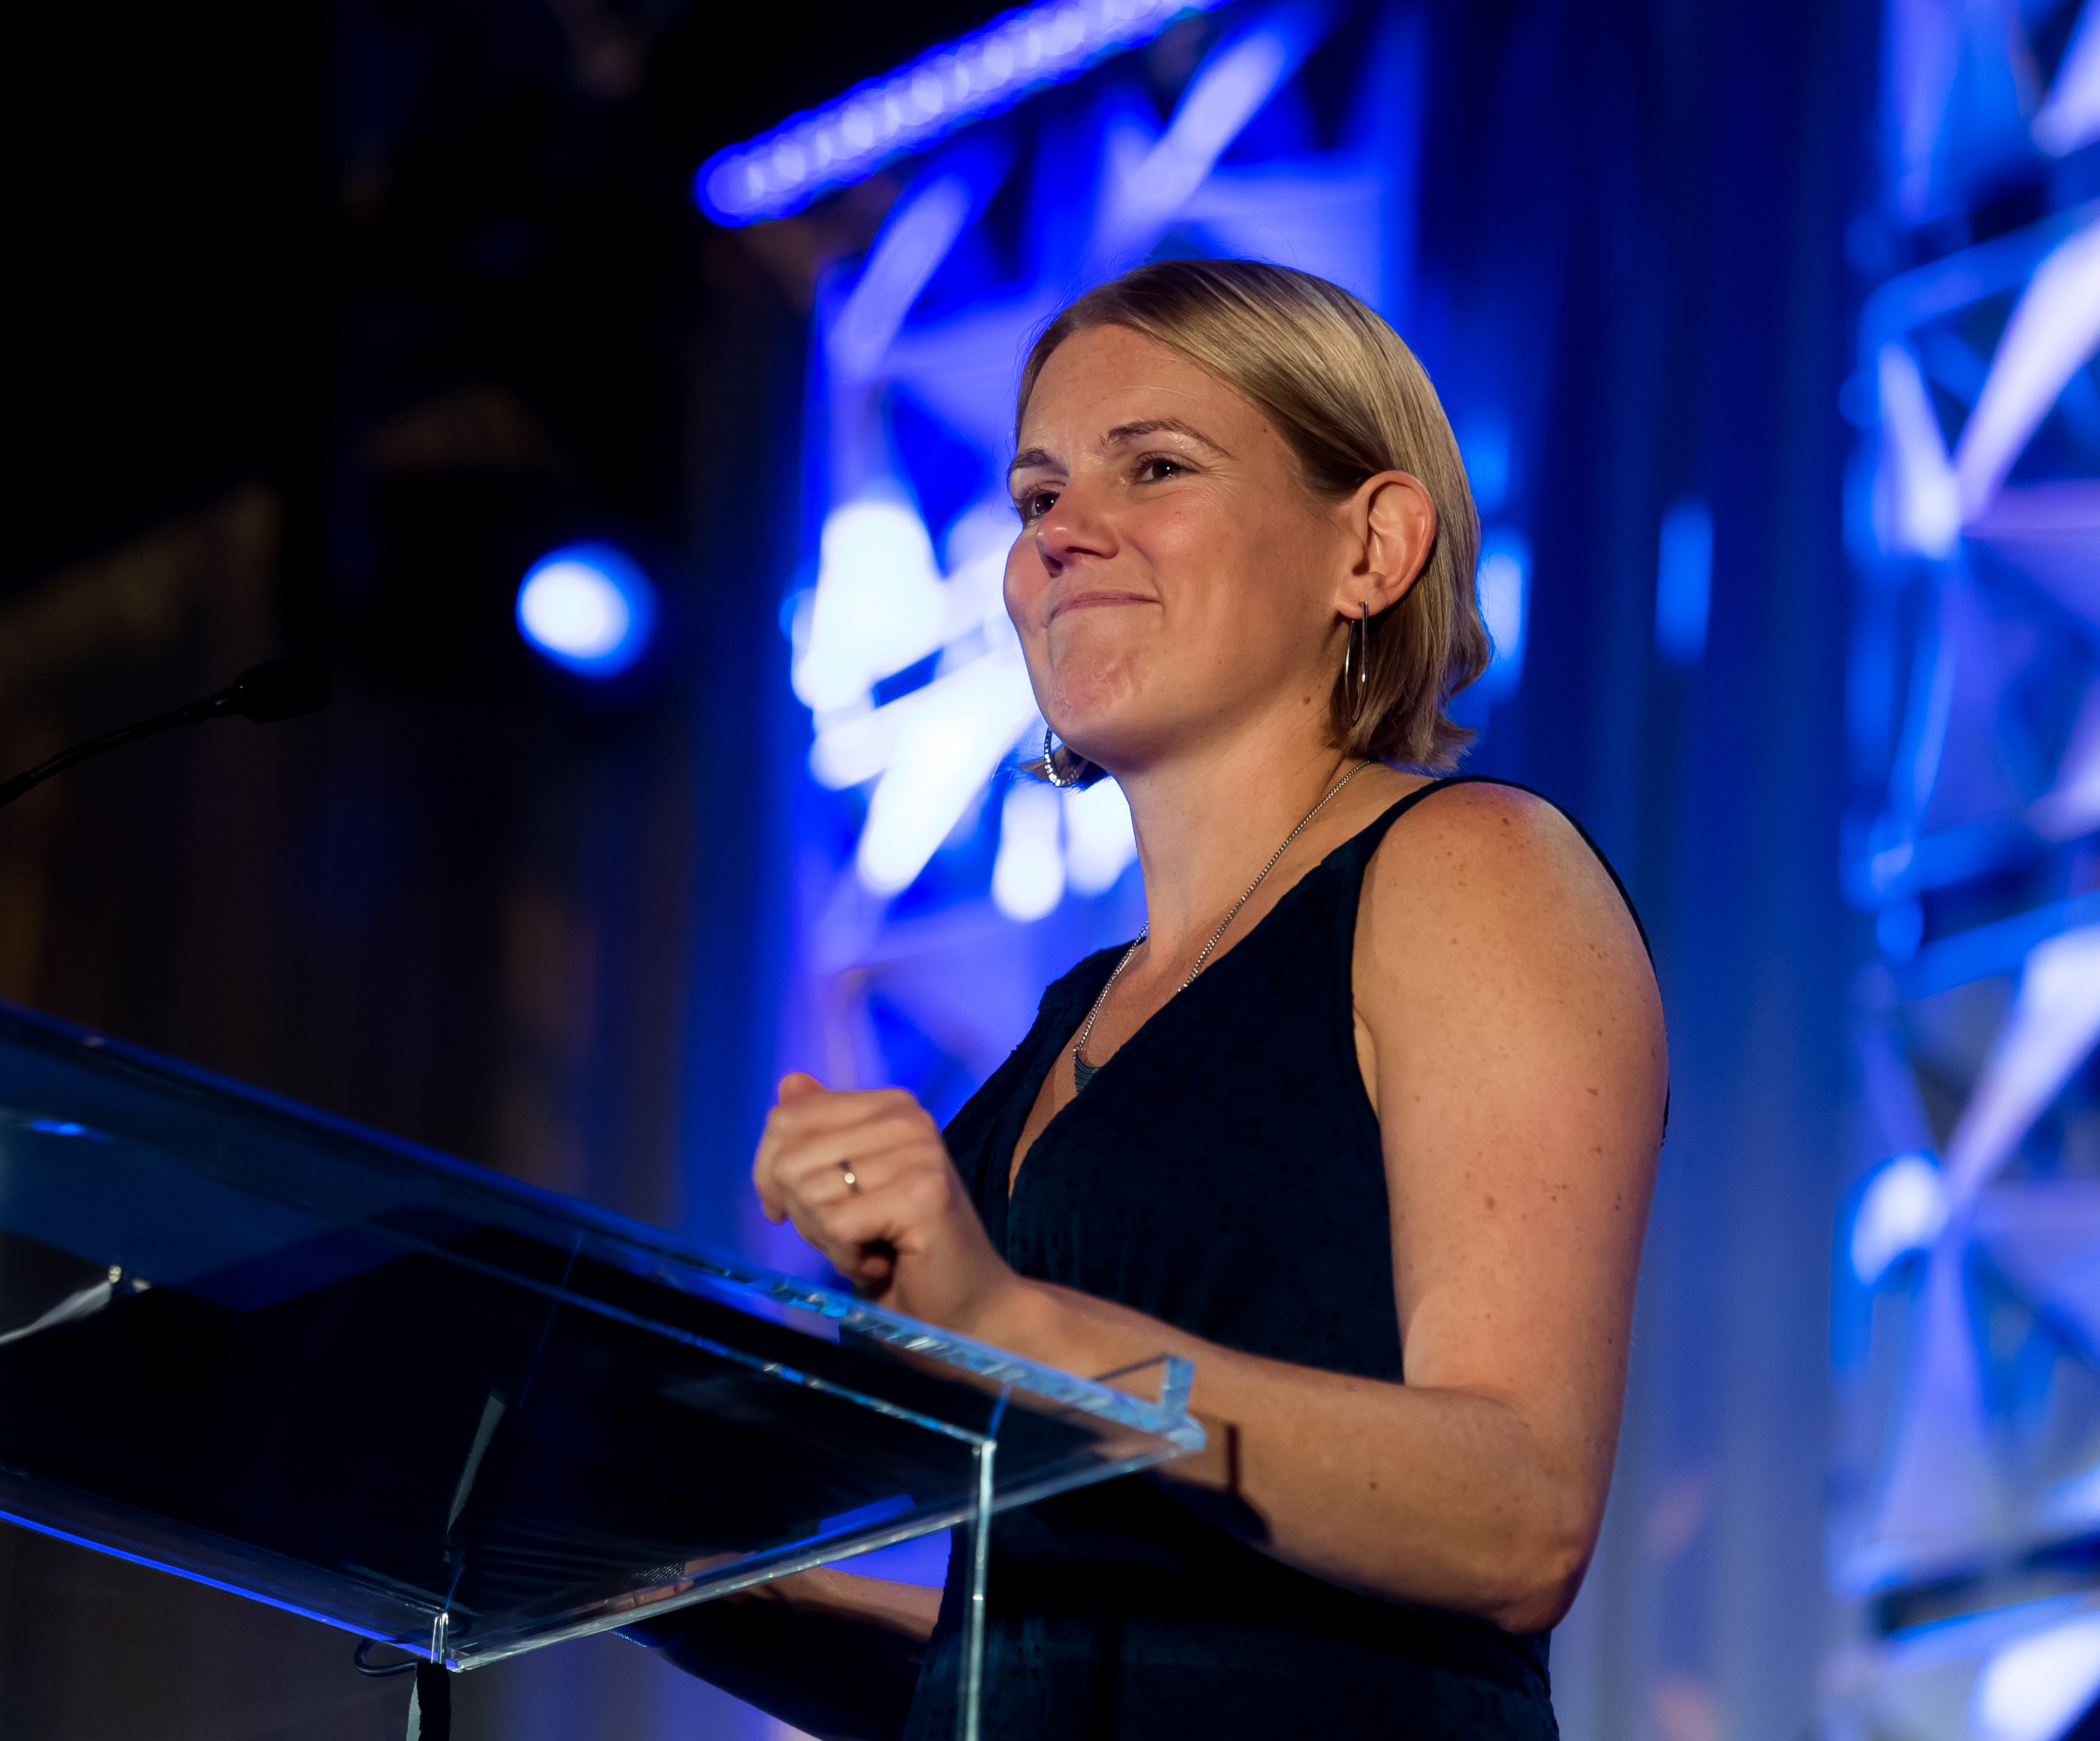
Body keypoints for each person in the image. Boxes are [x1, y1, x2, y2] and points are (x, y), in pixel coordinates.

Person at [627, 259, 1666, 1738]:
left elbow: (1517, 1519)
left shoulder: (1472, 868)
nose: (1062, 536)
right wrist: (683, 1580)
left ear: (1370, 548)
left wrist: (1004, 1319)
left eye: (1155, 468)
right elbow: (1077, 1643)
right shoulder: (1071, 1024)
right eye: (1037, 495)